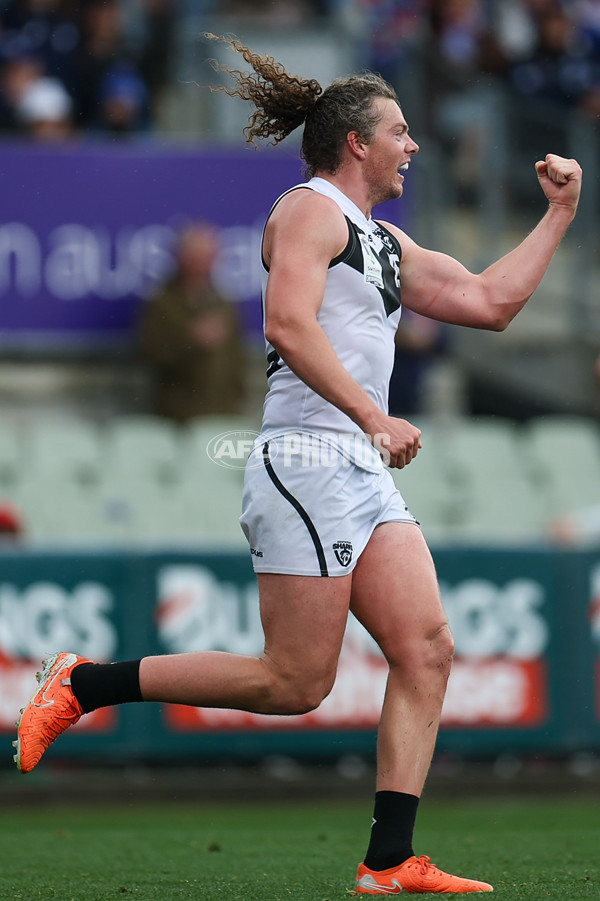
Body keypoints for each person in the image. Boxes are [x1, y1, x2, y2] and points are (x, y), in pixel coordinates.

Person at [14, 33, 582, 895]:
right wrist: (372, 414)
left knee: (426, 648)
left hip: (358, 470)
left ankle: (389, 860)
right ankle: (85, 683)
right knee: (295, 682)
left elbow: (489, 302)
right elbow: (287, 326)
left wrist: (559, 215)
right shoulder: (310, 209)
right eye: (400, 132)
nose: (412, 146)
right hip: (309, 459)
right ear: (357, 141)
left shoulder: (382, 237)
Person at [138, 222, 246, 423]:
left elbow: (237, 357)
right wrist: (190, 340)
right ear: (182, 257)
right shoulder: (163, 303)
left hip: (224, 412)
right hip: (178, 414)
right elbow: (150, 353)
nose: (205, 263)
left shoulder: (223, 302)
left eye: (210, 256)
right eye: (198, 256)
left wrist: (237, 397)